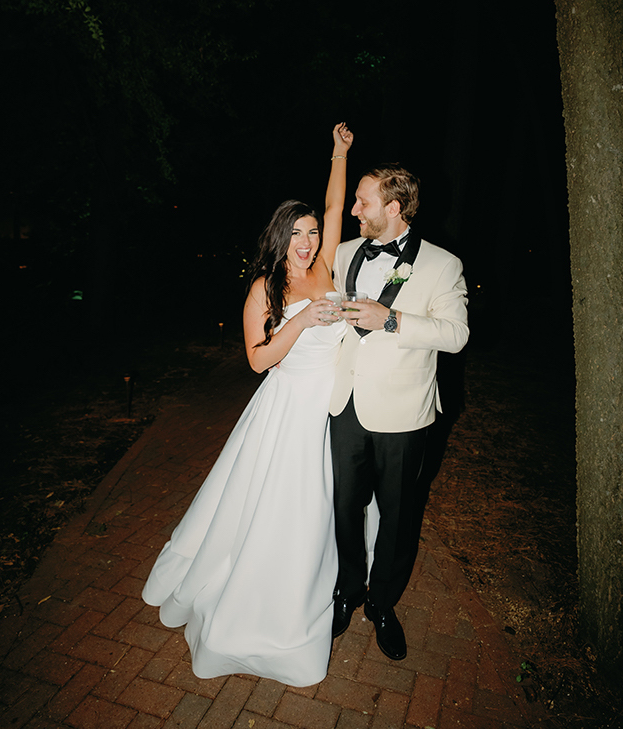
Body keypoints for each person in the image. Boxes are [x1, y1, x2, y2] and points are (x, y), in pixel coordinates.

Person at [142, 123, 353, 687]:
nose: (307, 242)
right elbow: (259, 361)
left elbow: (336, 204)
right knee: (285, 510)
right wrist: (305, 318)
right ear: (279, 236)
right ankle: (260, 607)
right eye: (297, 233)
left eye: (312, 233)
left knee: (326, 509)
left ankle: (314, 590)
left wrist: (338, 153)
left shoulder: (328, 264)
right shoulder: (265, 288)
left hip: (329, 411)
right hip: (285, 413)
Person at [329, 163, 469, 660]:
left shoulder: (442, 264)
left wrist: (390, 320)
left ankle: (383, 604)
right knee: (344, 508)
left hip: (405, 415)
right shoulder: (345, 253)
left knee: (397, 515)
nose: (353, 209)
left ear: (394, 208)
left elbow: (456, 335)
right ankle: (348, 590)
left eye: (362, 202)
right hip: (345, 404)